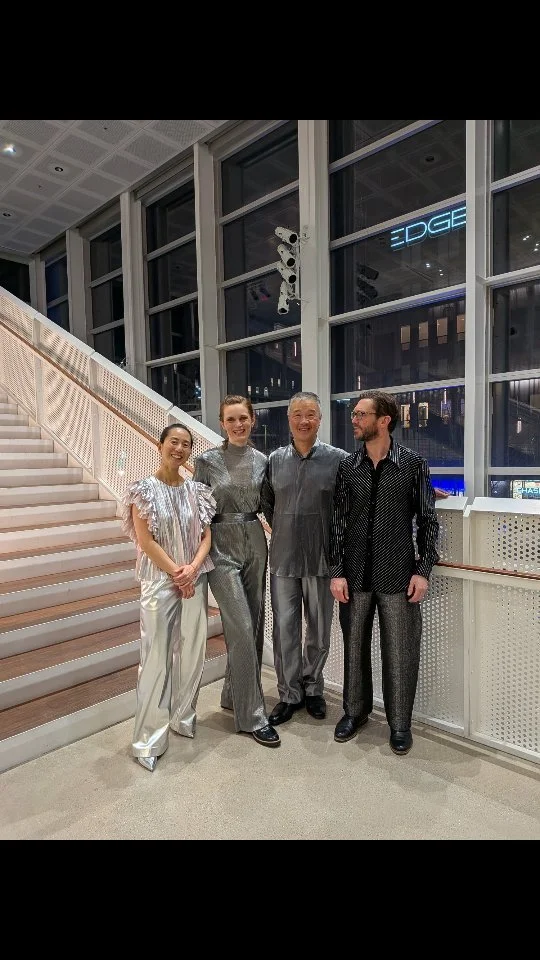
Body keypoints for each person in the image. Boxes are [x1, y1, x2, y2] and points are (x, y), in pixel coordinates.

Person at [329, 390, 440, 757]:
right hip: (354, 575)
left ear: (384, 420)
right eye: (354, 414)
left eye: (361, 414)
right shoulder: (348, 466)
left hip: (398, 575)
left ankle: (400, 724)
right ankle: (354, 713)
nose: (354, 420)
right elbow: (337, 522)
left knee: (401, 652)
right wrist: (336, 571)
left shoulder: (413, 464)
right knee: (354, 649)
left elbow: (428, 521)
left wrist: (423, 570)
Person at [122, 423, 216, 772]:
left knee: (192, 650)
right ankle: (148, 738)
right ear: (160, 444)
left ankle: (182, 715)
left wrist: (192, 569)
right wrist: (178, 573)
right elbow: (145, 541)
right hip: (159, 581)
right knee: (156, 657)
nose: (179, 448)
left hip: (195, 576)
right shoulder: (142, 491)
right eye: (173, 442)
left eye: (185, 444)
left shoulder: (197, 491)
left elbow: (206, 536)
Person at [193, 395, 281, 748]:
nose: (238, 424)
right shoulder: (206, 461)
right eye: (231, 419)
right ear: (222, 424)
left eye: (243, 418)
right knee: (241, 627)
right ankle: (252, 716)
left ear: (252, 420)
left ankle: (233, 694)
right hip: (220, 544)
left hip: (255, 541)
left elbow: (272, 505)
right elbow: (196, 509)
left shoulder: (263, 461)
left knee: (255, 624)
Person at [260, 391, 348, 725]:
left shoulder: (338, 460)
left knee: (319, 630)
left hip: (322, 560)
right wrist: (287, 528)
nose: (303, 420)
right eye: (297, 414)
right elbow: (268, 504)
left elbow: (358, 497)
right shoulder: (275, 460)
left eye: (310, 414)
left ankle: (313, 688)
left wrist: (418, 488)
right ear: (288, 419)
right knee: (285, 629)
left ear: (320, 419)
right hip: (283, 559)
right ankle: (289, 694)